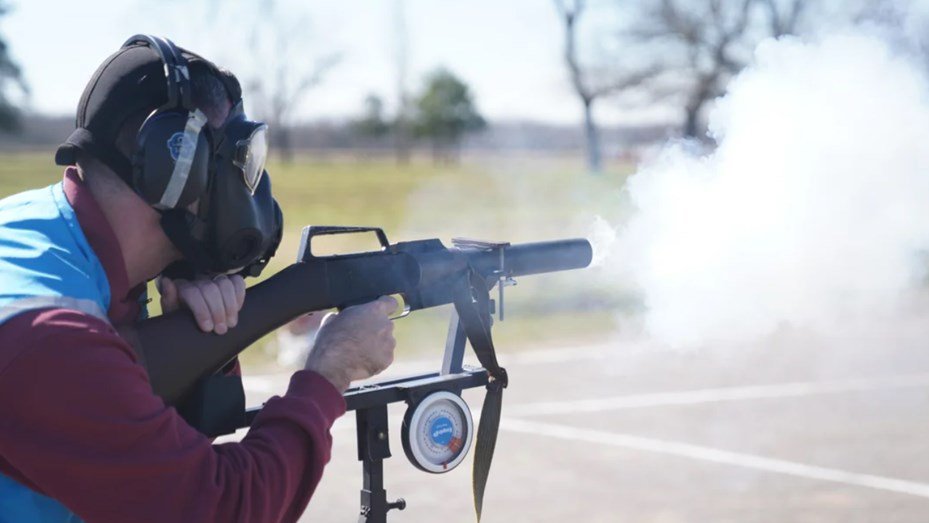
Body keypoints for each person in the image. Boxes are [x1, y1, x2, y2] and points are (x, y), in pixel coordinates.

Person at [0, 35, 396, 522]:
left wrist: (186, 318)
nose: (242, 189)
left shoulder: (41, 232)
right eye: (229, 161)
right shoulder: (51, 337)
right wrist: (327, 377)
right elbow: (221, 508)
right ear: (174, 168)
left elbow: (141, 451)